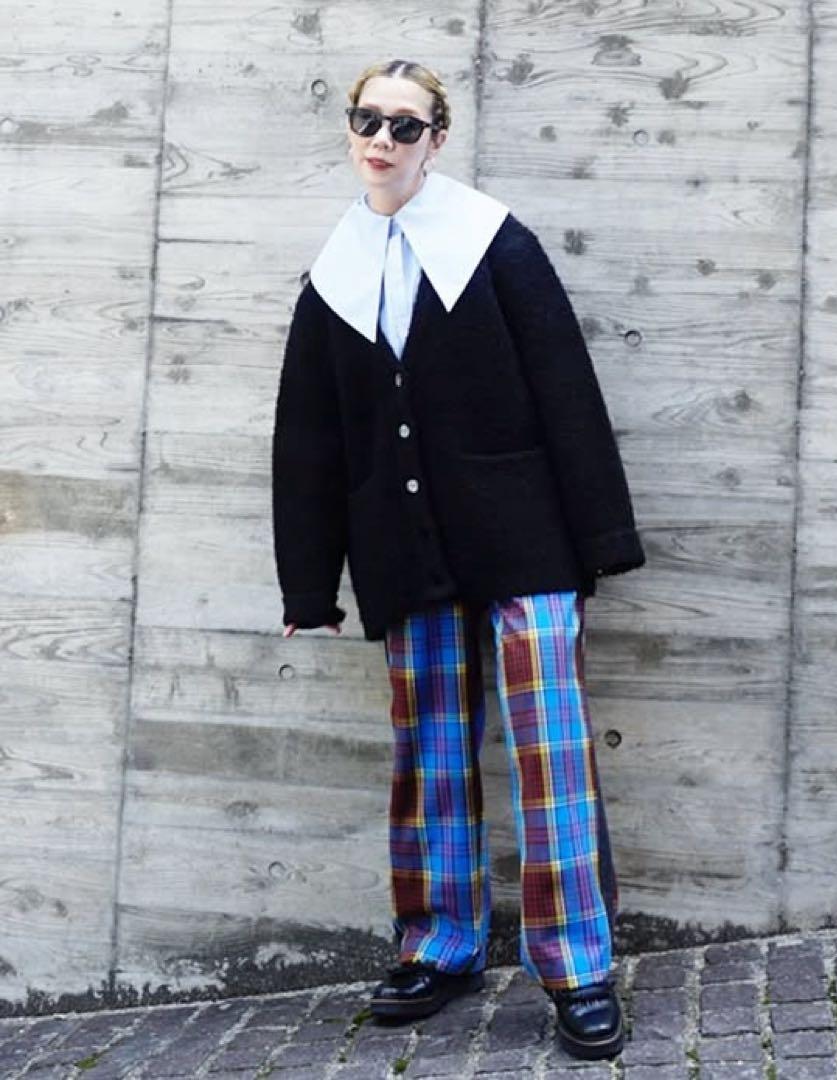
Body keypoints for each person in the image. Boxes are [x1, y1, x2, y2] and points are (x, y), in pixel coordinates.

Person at [271, 57, 646, 1061]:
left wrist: (602, 538)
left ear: (437, 140)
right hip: (404, 552)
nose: (383, 140)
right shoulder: (335, 271)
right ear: (351, 130)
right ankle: (439, 947)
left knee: (550, 757)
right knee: (429, 754)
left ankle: (577, 967)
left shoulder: (495, 242)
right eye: (369, 120)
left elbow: (566, 386)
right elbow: (308, 439)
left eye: (406, 124)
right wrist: (309, 584)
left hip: (525, 541)